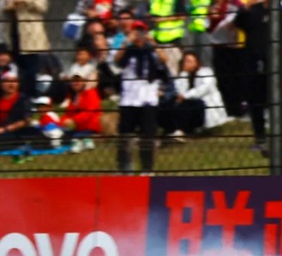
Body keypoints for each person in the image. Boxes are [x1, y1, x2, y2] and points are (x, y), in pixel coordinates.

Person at [113, 21, 168, 174]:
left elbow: (164, 59)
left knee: (147, 136)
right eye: (135, 32)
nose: (139, 36)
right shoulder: (127, 51)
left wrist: (153, 42)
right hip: (129, 98)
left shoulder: (151, 51)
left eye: (141, 31)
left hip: (147, 98)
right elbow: (116, 60)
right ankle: (124, 168)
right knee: (125, 136)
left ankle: (146, 168)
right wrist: (126, 42)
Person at [233, 0, 270, 150]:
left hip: (272, 62)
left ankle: (274, 136)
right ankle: (260, 138)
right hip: (253, 60)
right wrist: (246, 8)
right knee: (256, 102)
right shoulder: (252, 10)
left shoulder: (278, 10)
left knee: (272, 100)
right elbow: (238, 22)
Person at [2, 0, 49, 97]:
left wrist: (26, 0)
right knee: (17, 69)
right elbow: (6, 6)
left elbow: (43, 7)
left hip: (32, 35)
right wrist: (12, 4)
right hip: (15, 34)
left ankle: (30, 99)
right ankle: (19, 98)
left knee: (31, 70)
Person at [163, 50, 228, 138]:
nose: (187, 63)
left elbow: (204, 88)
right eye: (185, 61)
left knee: (188, 106)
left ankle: (182, 130)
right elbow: (179, 91)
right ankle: (175, 130)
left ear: (196, 62)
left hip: (204, 105)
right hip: (190, 105)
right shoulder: (184, 75)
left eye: (190, 61)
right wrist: (185, 72)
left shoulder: (206, 71)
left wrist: (185, 96)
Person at [147, 0, 185, 75]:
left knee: (172, 73)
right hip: (157, 41)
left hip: (173, 41)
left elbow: (182, 15)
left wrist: (163, 19)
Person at [60, 73, 102, 146]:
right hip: (79, 127)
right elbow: (68, 114)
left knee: (71, 138)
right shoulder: (73, 96)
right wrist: (62, 122)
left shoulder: (91, 93)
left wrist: (73, 120)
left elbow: (89, 113)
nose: (76, 83)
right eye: (73, 81)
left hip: (91, 127)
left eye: (78, 80)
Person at [0, 70, 36, 148]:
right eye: (7, 81)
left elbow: (26, 120)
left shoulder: (24, 99)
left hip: (14, 132)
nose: (11, 85)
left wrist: (5, 129)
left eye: (14, 81)